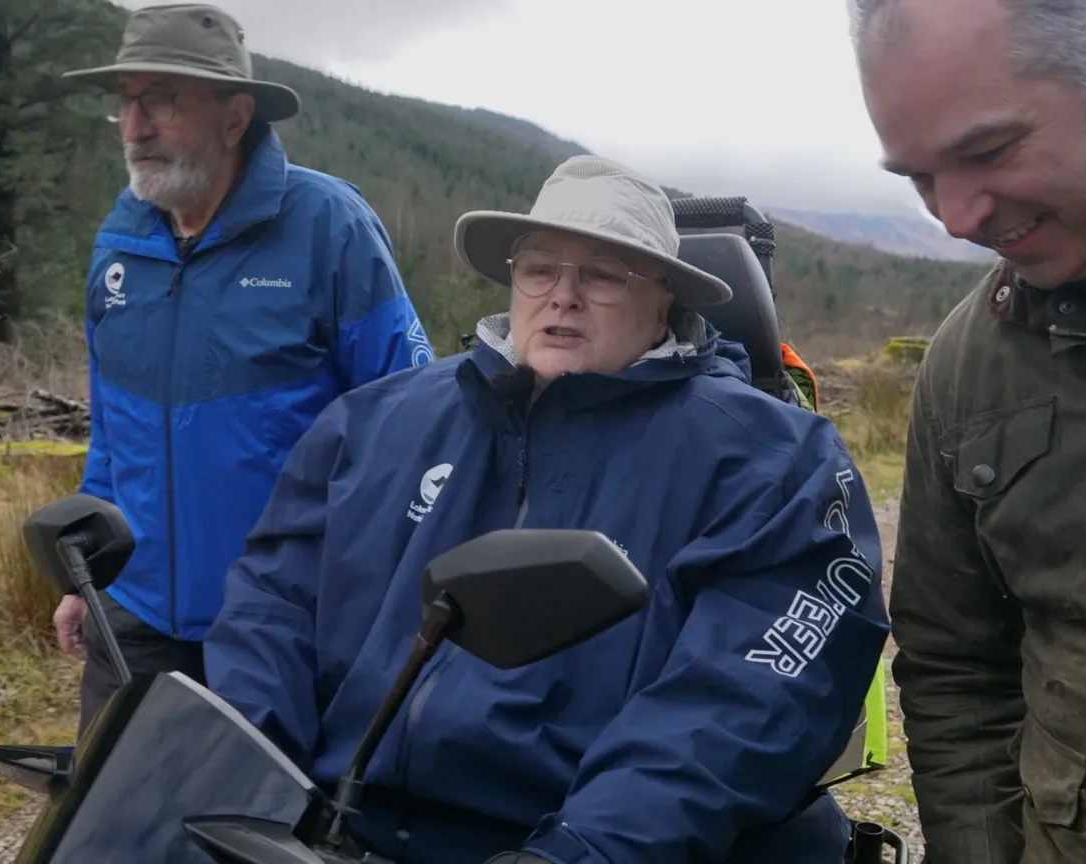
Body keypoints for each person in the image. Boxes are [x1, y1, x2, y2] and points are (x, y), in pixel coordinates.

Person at [204, 155, 891, 864]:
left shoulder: (772, 459)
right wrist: (253, 789)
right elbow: (270, 607)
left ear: (665, 300)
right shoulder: (373, 425)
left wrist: (584, 850)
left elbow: (745, 699)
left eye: (601, 275)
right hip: (338, 828)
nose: (562, 296)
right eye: (539, 269)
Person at [846, 0, 1086, 860]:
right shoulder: (969, 366)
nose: (957, 217)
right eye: (919, 177)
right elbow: (954, 668)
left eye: (987, 151)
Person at [56, 3, 434, 736]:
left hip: (279, 626)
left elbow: (413, 432)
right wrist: (87, 573)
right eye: (126, 103)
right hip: (131, 617)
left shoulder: (329, 229)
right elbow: (115, 428)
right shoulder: (122, 242)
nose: (136, 127)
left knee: (254, 834)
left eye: (162, 100)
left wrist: (376, 608)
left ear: (235, 116)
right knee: (115, 824)